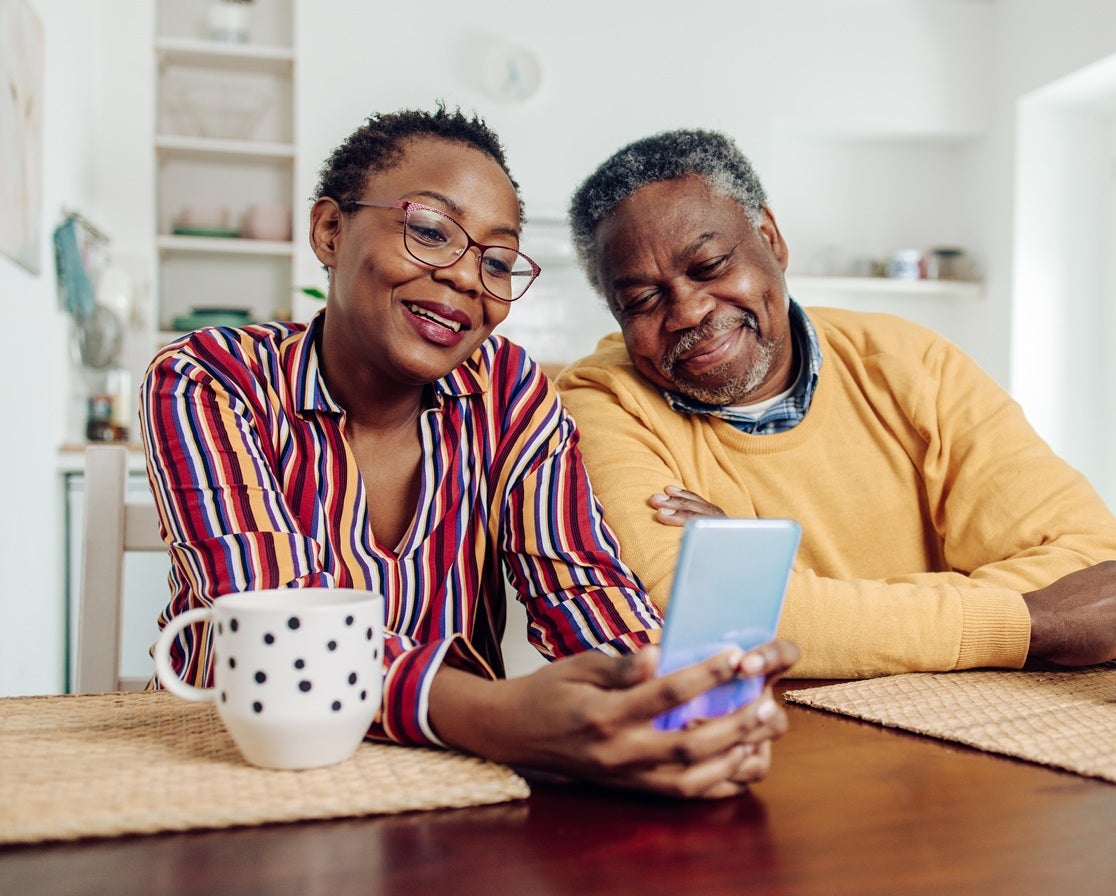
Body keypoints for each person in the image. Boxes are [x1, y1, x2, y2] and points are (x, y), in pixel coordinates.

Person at [138, 107, 796, 799]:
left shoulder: (509, 392)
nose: (465, 279)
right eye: (429, 231)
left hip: (440, 777)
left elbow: (581, 586)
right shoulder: (210, 380)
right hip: (226, 763)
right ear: (330, 230)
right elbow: (287, 637)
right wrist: (497, 716)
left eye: (498, 261)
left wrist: (669, 697)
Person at [556, 127, 1116, 680]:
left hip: (983, 726)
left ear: (770, 237)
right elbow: (699, 625)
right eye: (642, 299)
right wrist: (1030, 622)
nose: (688, 312)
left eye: (710, 267)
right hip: (781, 743)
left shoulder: (911, 360)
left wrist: (785, 594)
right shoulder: (601, 404)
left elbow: (1095, 569)